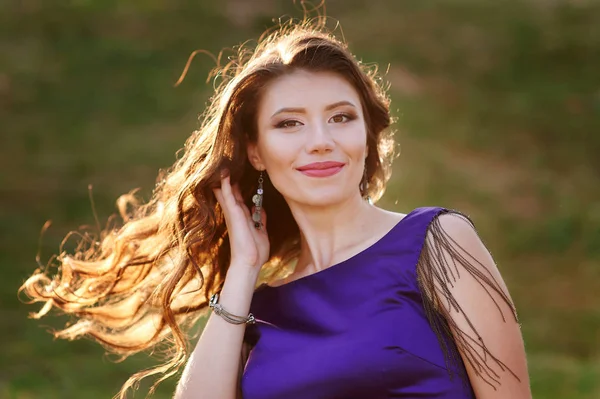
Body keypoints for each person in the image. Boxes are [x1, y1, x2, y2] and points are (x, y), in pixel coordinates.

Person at [21, 15, 532, 399]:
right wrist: (242, 270)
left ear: (367, 133)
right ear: (255, 151)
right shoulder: (259, 307)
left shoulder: (437, 243)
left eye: (340, 117)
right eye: (289, 123)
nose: (320, 141)